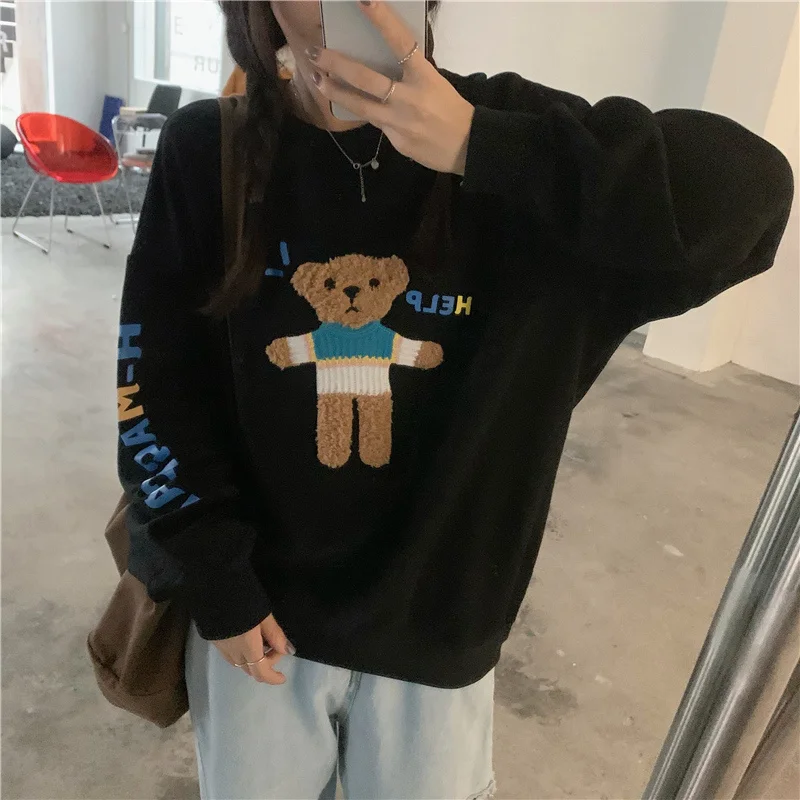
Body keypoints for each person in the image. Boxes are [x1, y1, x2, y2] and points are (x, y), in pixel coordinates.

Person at [116, 1, 794, 798]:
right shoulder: (209, 151)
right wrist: (216, 578)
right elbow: (155, 388)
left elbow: (751, 192)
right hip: (256, 619)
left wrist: (485, 146)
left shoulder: (512, 130)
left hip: (440, 631)